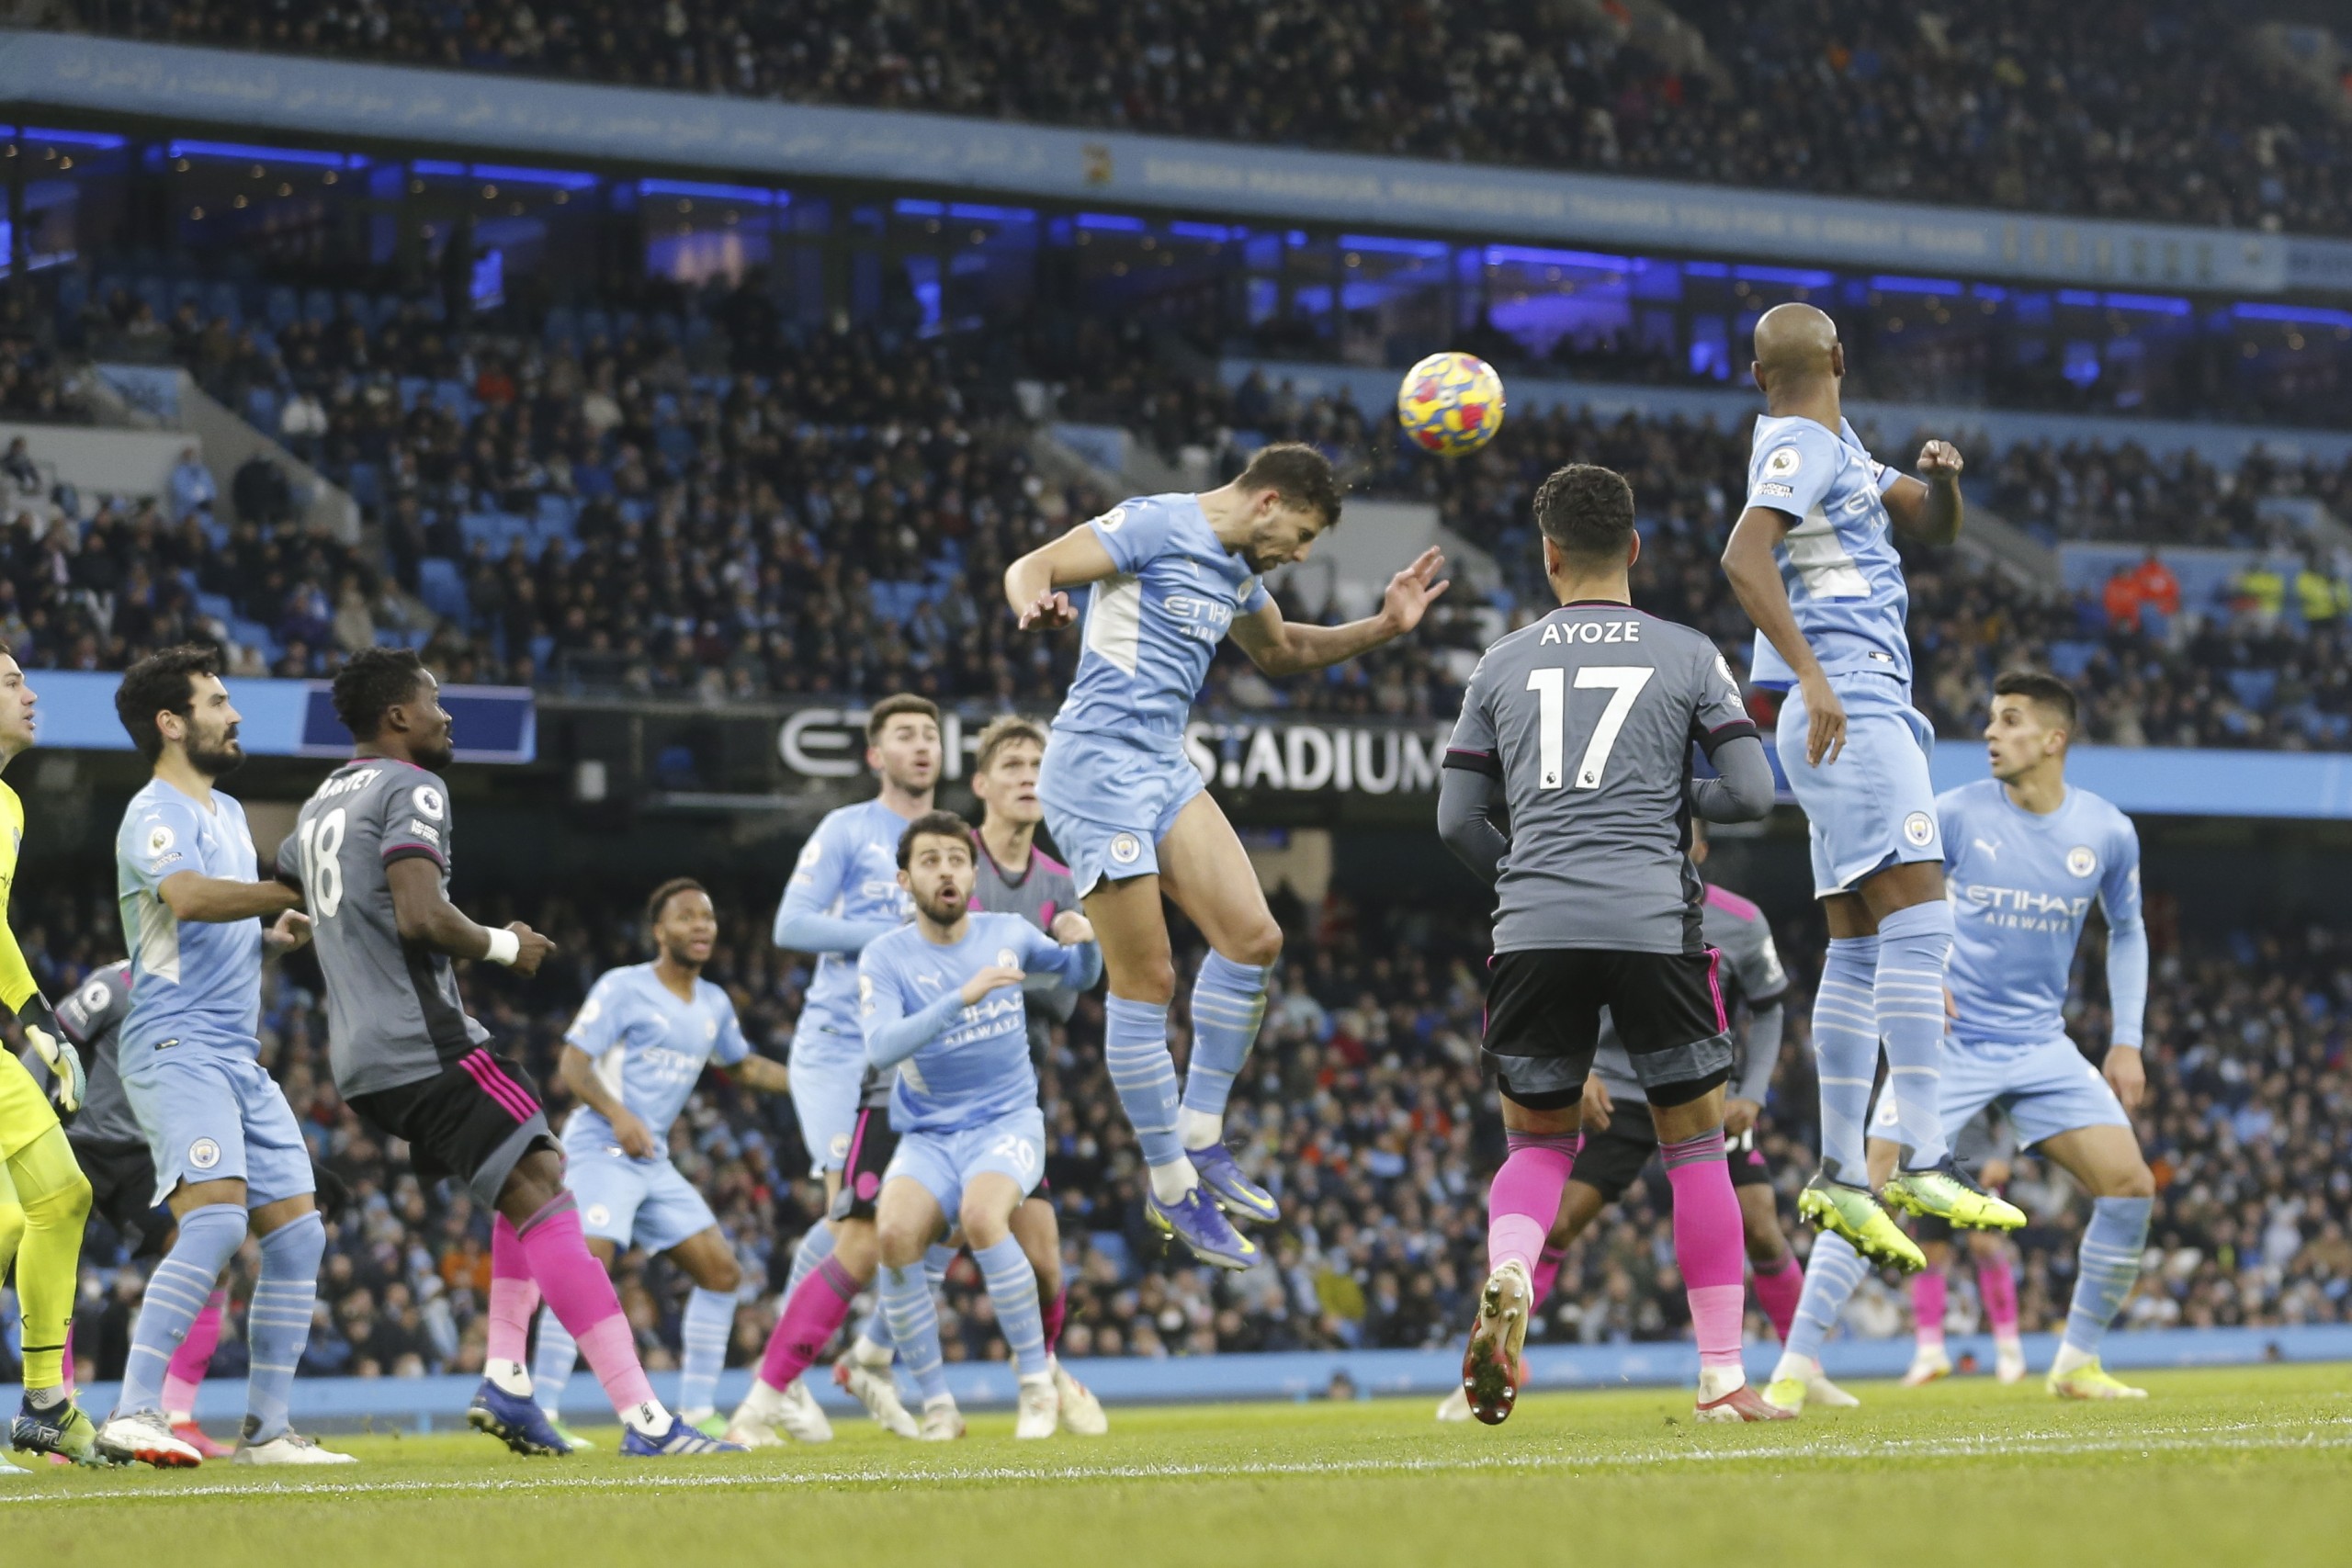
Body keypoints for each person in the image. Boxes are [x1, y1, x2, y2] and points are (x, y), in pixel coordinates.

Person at [279, 647, 733, 1457]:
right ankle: (646, 1418)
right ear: (397, 718)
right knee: (548, 1183)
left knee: (522, 1177)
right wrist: (500, 944)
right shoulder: (412, 784)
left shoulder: (319, 803)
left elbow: (292, 883)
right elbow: (420, 913)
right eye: (433, 701)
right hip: (424, 1039)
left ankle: (510, 1382)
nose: (445, 715)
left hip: (359, 1057)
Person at [1004, 442, 1447, 1269]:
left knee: (1254, 937)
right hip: (1096, 767)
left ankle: (1201, 1134)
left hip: (1163, 765)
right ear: (1269, 501)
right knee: (1147, 980)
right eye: (1304, 533)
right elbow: (1034, 564)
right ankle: (1171, 1185)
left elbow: (1280, 652)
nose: (1303, 555)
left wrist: (1385, 627)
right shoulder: (1155, 522)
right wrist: (1038, 602)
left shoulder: (1239, 572)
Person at [1436, 463, 1782, 1425]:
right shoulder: (1687, 654)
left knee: (1537, 1142)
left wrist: (1527, 871)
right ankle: (1720, 1378)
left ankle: (1511, 1269)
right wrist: (1669, 802)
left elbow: (1455, 819)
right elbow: (1753, 796)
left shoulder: (1499, 662)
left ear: (1548, 557)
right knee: (1696, 1147)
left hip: (1534, 924)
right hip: (1651, 922)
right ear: (1633, 549)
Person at [1720, 301, 2025, 1269]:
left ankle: (1842, 1173)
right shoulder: (1801, 447)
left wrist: (1942, 485)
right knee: (1921, 912)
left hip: (1834, 710)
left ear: (1754, 370)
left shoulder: (1835, 445)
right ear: (1840, 357)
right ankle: (1923, 1155)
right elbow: (1742, 554)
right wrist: (1812, 675)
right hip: (1846, 698)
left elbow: (1930, 529)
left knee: (1855, 939)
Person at [1763, 671, 2156, 1412]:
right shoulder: (1952, 814)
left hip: (2040, 1042)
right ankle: (1795, 1366)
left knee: (2131, 1183)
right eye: (1990, 719)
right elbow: (1879, 898)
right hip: (1947, 1045)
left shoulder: (2106, 830)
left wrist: (2127, 1039)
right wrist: (1919, 966)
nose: (1991, 733)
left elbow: (2129, 930)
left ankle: (2076, 1361)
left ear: (2053, 739)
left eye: (2009, 721)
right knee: (1865, 1187)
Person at [1432, 822, 1802, 1422]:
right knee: (1561, 1222)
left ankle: (1802, 1361)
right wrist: (1579, 1075)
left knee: (1763, 1224)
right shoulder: (1616, 898)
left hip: (1705, 1090)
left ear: (1700, 848)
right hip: (1618, 1092)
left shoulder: (1742, 921)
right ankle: (1506, 1354)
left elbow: (1771, 1009)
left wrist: (1753, 1093)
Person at [91, 646, 345, 1468]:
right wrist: (285, 892)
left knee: (299, 1234)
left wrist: (269, 938)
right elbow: (190, 899)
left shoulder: (232, 813)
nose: (234, 715)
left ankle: (267, 1432)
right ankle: (133, 1411)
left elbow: (206, 931)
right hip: (174, 1043)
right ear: (172, 723)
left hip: (237, 1053)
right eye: (217, 701)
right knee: (216, 1219)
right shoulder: (152, 812)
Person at [730, 694, 938, 1444]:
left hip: (913, 1053)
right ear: (876, 756)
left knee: (909, 1221)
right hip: (837, 1047)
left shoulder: (950, 841)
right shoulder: (848, 828)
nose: (922, 746)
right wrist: (888, 928)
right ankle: (790, 1380)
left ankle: (819, 1368)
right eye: (905, 736)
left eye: (931, 735)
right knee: (855, 1212)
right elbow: (791, 923)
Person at [859, 811, 1102, 1439]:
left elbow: (1079, 975)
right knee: (891, 1234)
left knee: (983, 1215)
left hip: (1005, 1121)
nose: (945, 870)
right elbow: (882, 1046)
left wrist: (1084, 937)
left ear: (971, 873)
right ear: (904, 879)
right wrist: (960, 997)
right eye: (930, 860)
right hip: (930, 1136)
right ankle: (939, 1406)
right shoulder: (885, 956)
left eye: (955, 859)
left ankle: (1035, 1389)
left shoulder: (1008, 931)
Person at [528, 878, 793, 1443]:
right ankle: (542, 1410)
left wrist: (807, 1084)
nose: (701, 926)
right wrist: (619, 1114)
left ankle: (697, 1410)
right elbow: (573, 1066)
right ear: (659, 931)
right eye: (686, 917)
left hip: (653, 1161)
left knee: (722, 1273)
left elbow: (743, 1067)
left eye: (708, 917)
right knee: (584, 1269)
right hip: (602, 1145)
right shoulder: (623, 987)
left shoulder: (715, 1003)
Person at [0, 649, 102, 1471]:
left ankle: (44, 1404)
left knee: (63, 1197)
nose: (31, 694)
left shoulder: (7, 806)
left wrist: (40, 1023)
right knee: (1, 1219)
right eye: (10, 683)